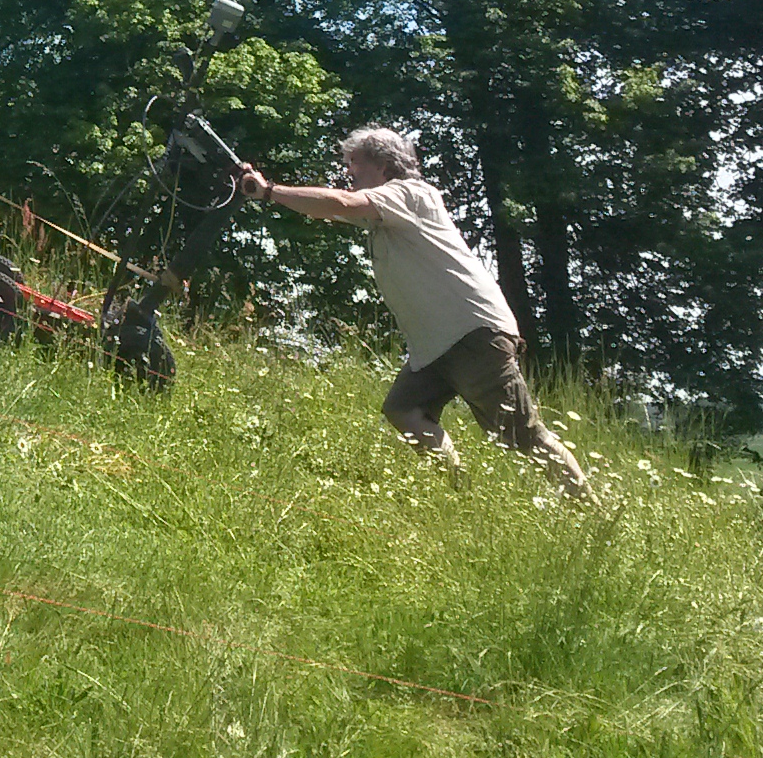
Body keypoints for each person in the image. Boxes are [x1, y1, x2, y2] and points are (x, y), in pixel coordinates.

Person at [232, 126, 589, 496]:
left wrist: (268, 191)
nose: (348, 173)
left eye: (355, 165)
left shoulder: (409, 194)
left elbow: (338, 202)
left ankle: (593, 514)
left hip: (471, 333)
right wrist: (253, 183)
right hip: (438, 346)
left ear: (384, 166)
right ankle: (460, 493)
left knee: (523, 437)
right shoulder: (389, 210)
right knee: (403, 409)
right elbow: (325, 207)